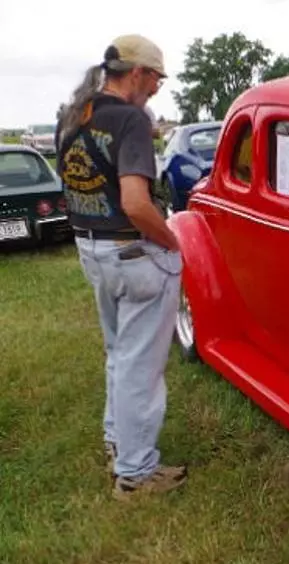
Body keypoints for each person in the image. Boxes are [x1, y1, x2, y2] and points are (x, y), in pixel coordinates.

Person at [56, 34, 187, 500]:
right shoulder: (131, 120)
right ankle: (135, 472)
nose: (156, 89)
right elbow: (136, 203)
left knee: (119, 354)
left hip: (92, 248)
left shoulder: (74, 117)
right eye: (156, 79)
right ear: (138, 74)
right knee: (142, 369)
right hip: (134, 253)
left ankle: (117, 442)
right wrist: (173, 242)